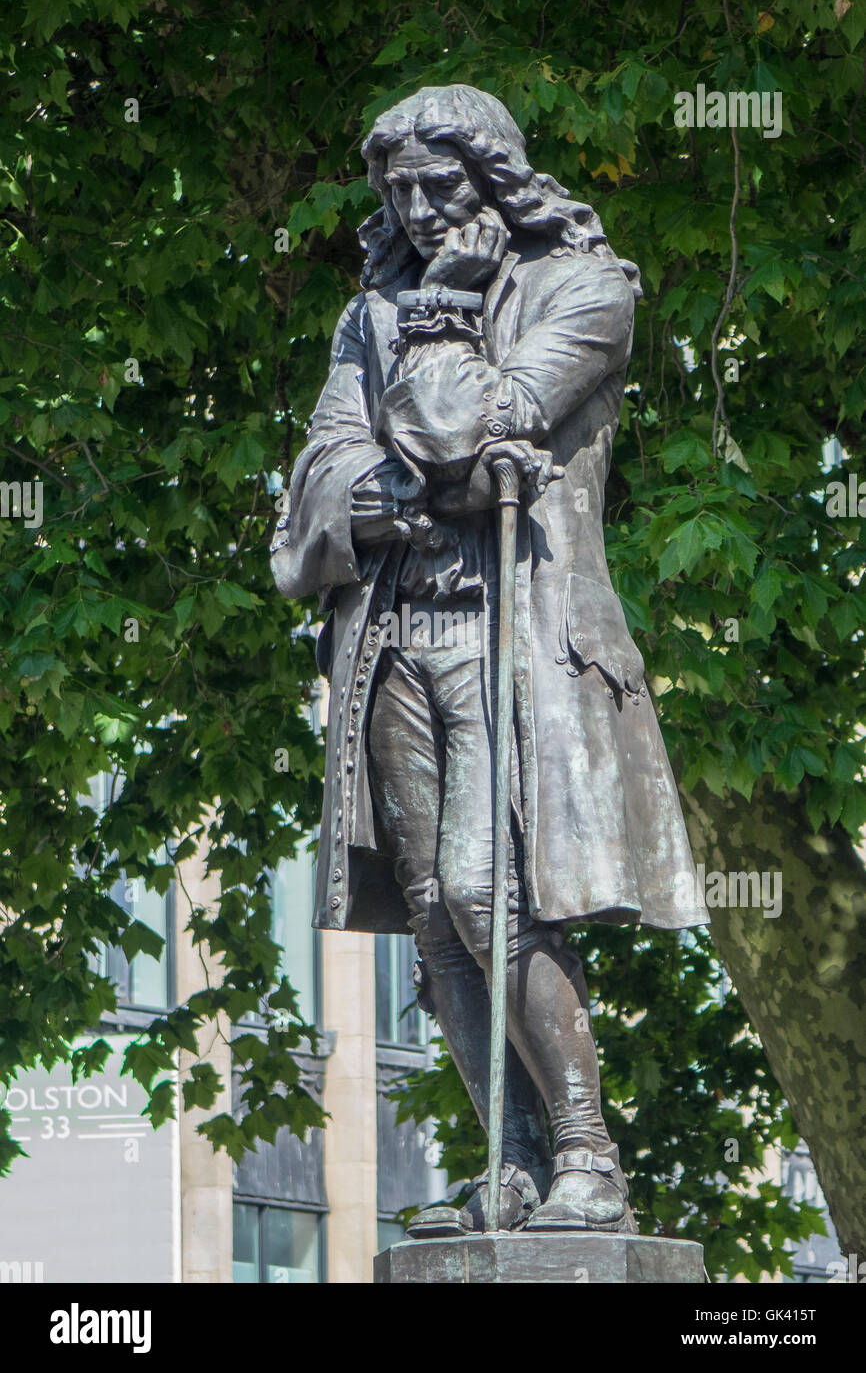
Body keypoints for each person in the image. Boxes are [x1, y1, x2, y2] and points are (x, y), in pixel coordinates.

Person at [271, 84, 708, 1235]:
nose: (416, 210)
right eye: (396, 190)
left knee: (488, 889)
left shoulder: (584, 292)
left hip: (514, 636)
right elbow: (318, 479)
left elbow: (471, 441)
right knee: (431, 913)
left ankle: (587, 1158)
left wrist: (445, 322)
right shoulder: (368, 314)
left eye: (440, 185)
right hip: (390, 637)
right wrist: (366, 499)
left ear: (496, 179)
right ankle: (506, 1164)